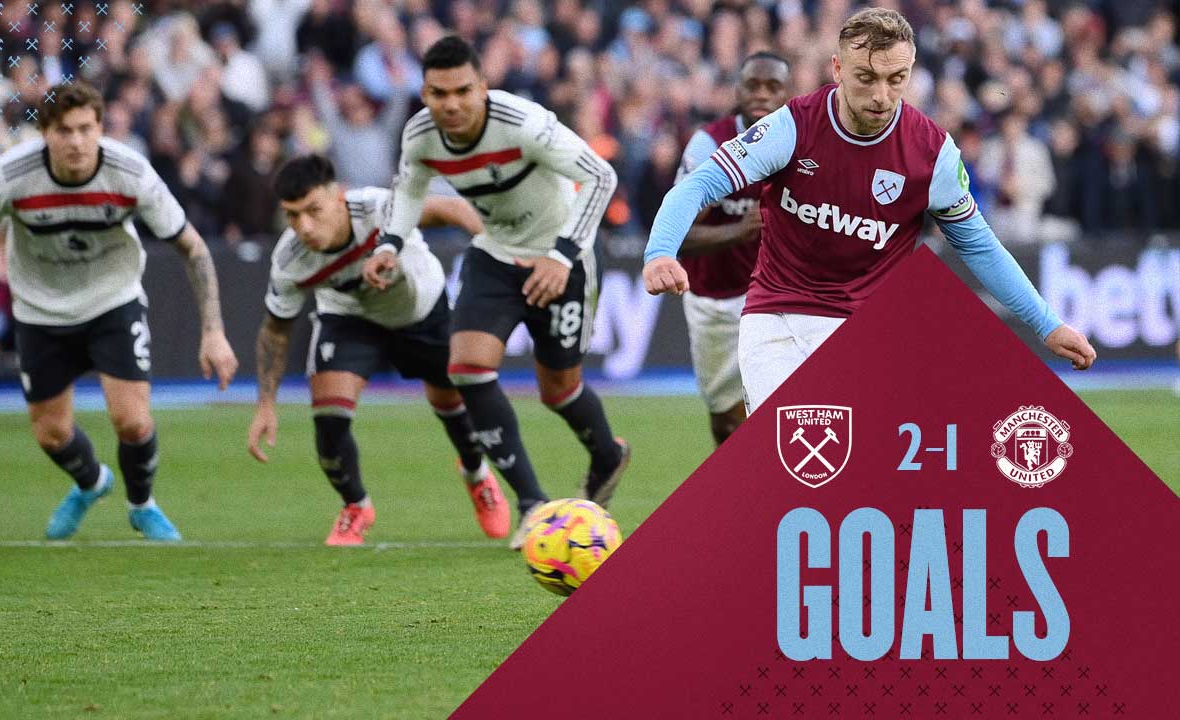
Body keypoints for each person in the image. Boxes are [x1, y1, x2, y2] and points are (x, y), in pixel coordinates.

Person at [643, 7, 1096, 415]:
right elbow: (700, 184)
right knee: (793, 467)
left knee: (875, 479)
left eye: (896, 79)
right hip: (778, 317)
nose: (882, 95)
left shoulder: (931, 153)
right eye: (866, 77)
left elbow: (978, 244)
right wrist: (661, 251)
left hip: (873, 330)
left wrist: (1046, 324)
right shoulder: (791, 127)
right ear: (837, 68)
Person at [0, 81, 239, 542]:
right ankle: (92, 483)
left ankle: (141, 504)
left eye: (87, 128)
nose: (77, 141)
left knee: (133, 420)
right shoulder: (13, 174)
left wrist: (214, 331)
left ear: (101, 127)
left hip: (112, 302)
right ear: (45, 132)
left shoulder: (131, 173)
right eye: (64, 130)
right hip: (39, 312)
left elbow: (193, 247)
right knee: (50, 433)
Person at [380, 36, 629, 549]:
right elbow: (409, 190)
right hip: (495, 253)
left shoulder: (523, 124)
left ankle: (607, 454)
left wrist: (561, 255)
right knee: (466, 369)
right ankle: (533, 504)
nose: (449, 104)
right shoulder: (421, 134)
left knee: (558, 389)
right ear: (424, 93)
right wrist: (388, 242)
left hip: (564, 256)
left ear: (483, 88)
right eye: (437, 92)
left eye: (461, 91)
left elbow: (601, 177)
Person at [245, 154, 510, 546]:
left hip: (422, 309)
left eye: (313, 210)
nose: (304, 226)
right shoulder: (290, 261)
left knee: (455, 411)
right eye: (292, 215)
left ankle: (476, 474)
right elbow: (276, 330)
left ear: (338, 196)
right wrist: (266, 403)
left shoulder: (378, 207)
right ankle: (356, 505)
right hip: (351, 319)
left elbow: (453, 209)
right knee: (329, 418)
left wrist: (496, 252)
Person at [673, 52, 790, 446]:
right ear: (737, 91)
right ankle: (736, 494)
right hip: (713, 300)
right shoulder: (710, 143)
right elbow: (679, 237)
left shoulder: (799, 143)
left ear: (788, 94)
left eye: (773, 87)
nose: (762, 94)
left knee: (784, 411)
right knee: (725, 420)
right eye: (752, 85)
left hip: (775, 296)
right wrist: (739, 231)